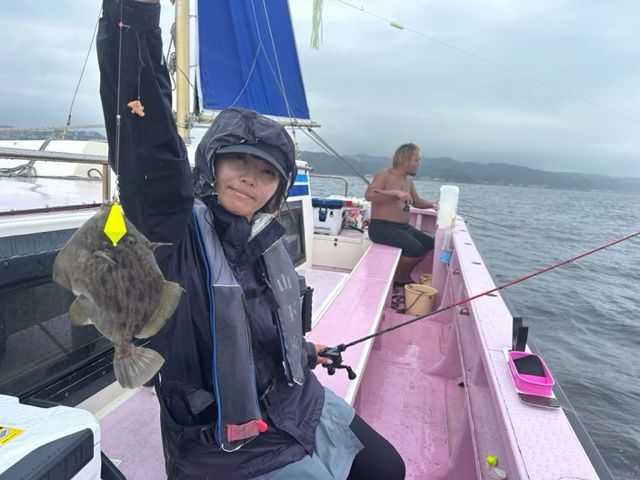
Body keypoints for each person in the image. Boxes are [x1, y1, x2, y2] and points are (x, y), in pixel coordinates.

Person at [97, 1, 405, 479]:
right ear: (212, 162)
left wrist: (307, 352)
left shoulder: (264, 238)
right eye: (238, 161)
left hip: (293, 403)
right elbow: (148, 142)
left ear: (278, 189)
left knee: (387, 468)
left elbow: (258, 336)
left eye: (266, 172)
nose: (249, 178)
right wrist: (134, 18)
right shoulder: (172, 229)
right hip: (221, 441)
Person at [365, 143, 437, 287]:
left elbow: (417, 202)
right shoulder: (385, 175)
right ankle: (398, 276)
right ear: (405, 160)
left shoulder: (409, 180)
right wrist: (395, 193)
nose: (418, 164)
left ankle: (400, 274)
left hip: (402, 227)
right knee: (415, 249)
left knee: (429, 243)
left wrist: (433, 204)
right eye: (416, 160)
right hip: (382, 227)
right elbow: (369, 195)